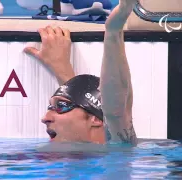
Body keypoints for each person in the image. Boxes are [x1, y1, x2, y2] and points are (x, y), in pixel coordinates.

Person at [24, 0, 137, 146]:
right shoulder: (58, 157)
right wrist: (61, 66)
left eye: (61, 107)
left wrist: (113, 31)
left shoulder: (118, 148)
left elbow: (114, 112)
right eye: (51, 107)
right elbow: (82, 102)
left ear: (95, 120)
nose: (45, 118)